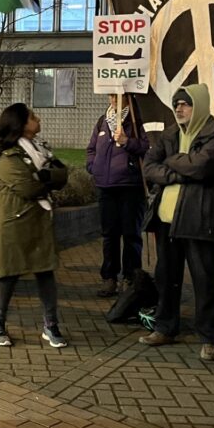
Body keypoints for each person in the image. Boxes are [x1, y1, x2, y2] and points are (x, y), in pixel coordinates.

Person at [140, 83, 214, 361]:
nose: (178, 108)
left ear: (200, 106)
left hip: (198, 221)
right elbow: (149, 168)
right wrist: (179, 172)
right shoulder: (169, 134)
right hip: (166, 221)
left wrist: (173, 162)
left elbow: (201, 167)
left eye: (185, 104)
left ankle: (211, 338)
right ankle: (165, 328)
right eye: (176, 104)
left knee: (205, 281)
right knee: (166, 278)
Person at [0, 103, 69, 348]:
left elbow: (62, 174)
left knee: (45, 272)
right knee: (8, 274)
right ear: (20, 124)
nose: (38, 118)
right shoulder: (7, 156)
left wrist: (45, 177)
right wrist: (46, 178)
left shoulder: (40, 147)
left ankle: (50, 325)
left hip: (39, 220)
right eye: (32, 116)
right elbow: (28, 187)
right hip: (14, 222)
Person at [86, 93, 150, 297]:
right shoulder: (103, 120)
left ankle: (130, 278)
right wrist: (93, 166)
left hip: (131, 186)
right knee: (109, 235)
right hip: (105, 186)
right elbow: (91, 148)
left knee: (131, 235)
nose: (114, 100)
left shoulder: (138, 121)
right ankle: (109, 278)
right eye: (112, 96)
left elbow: (148, 147)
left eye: (119, 97)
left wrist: (127, 142)